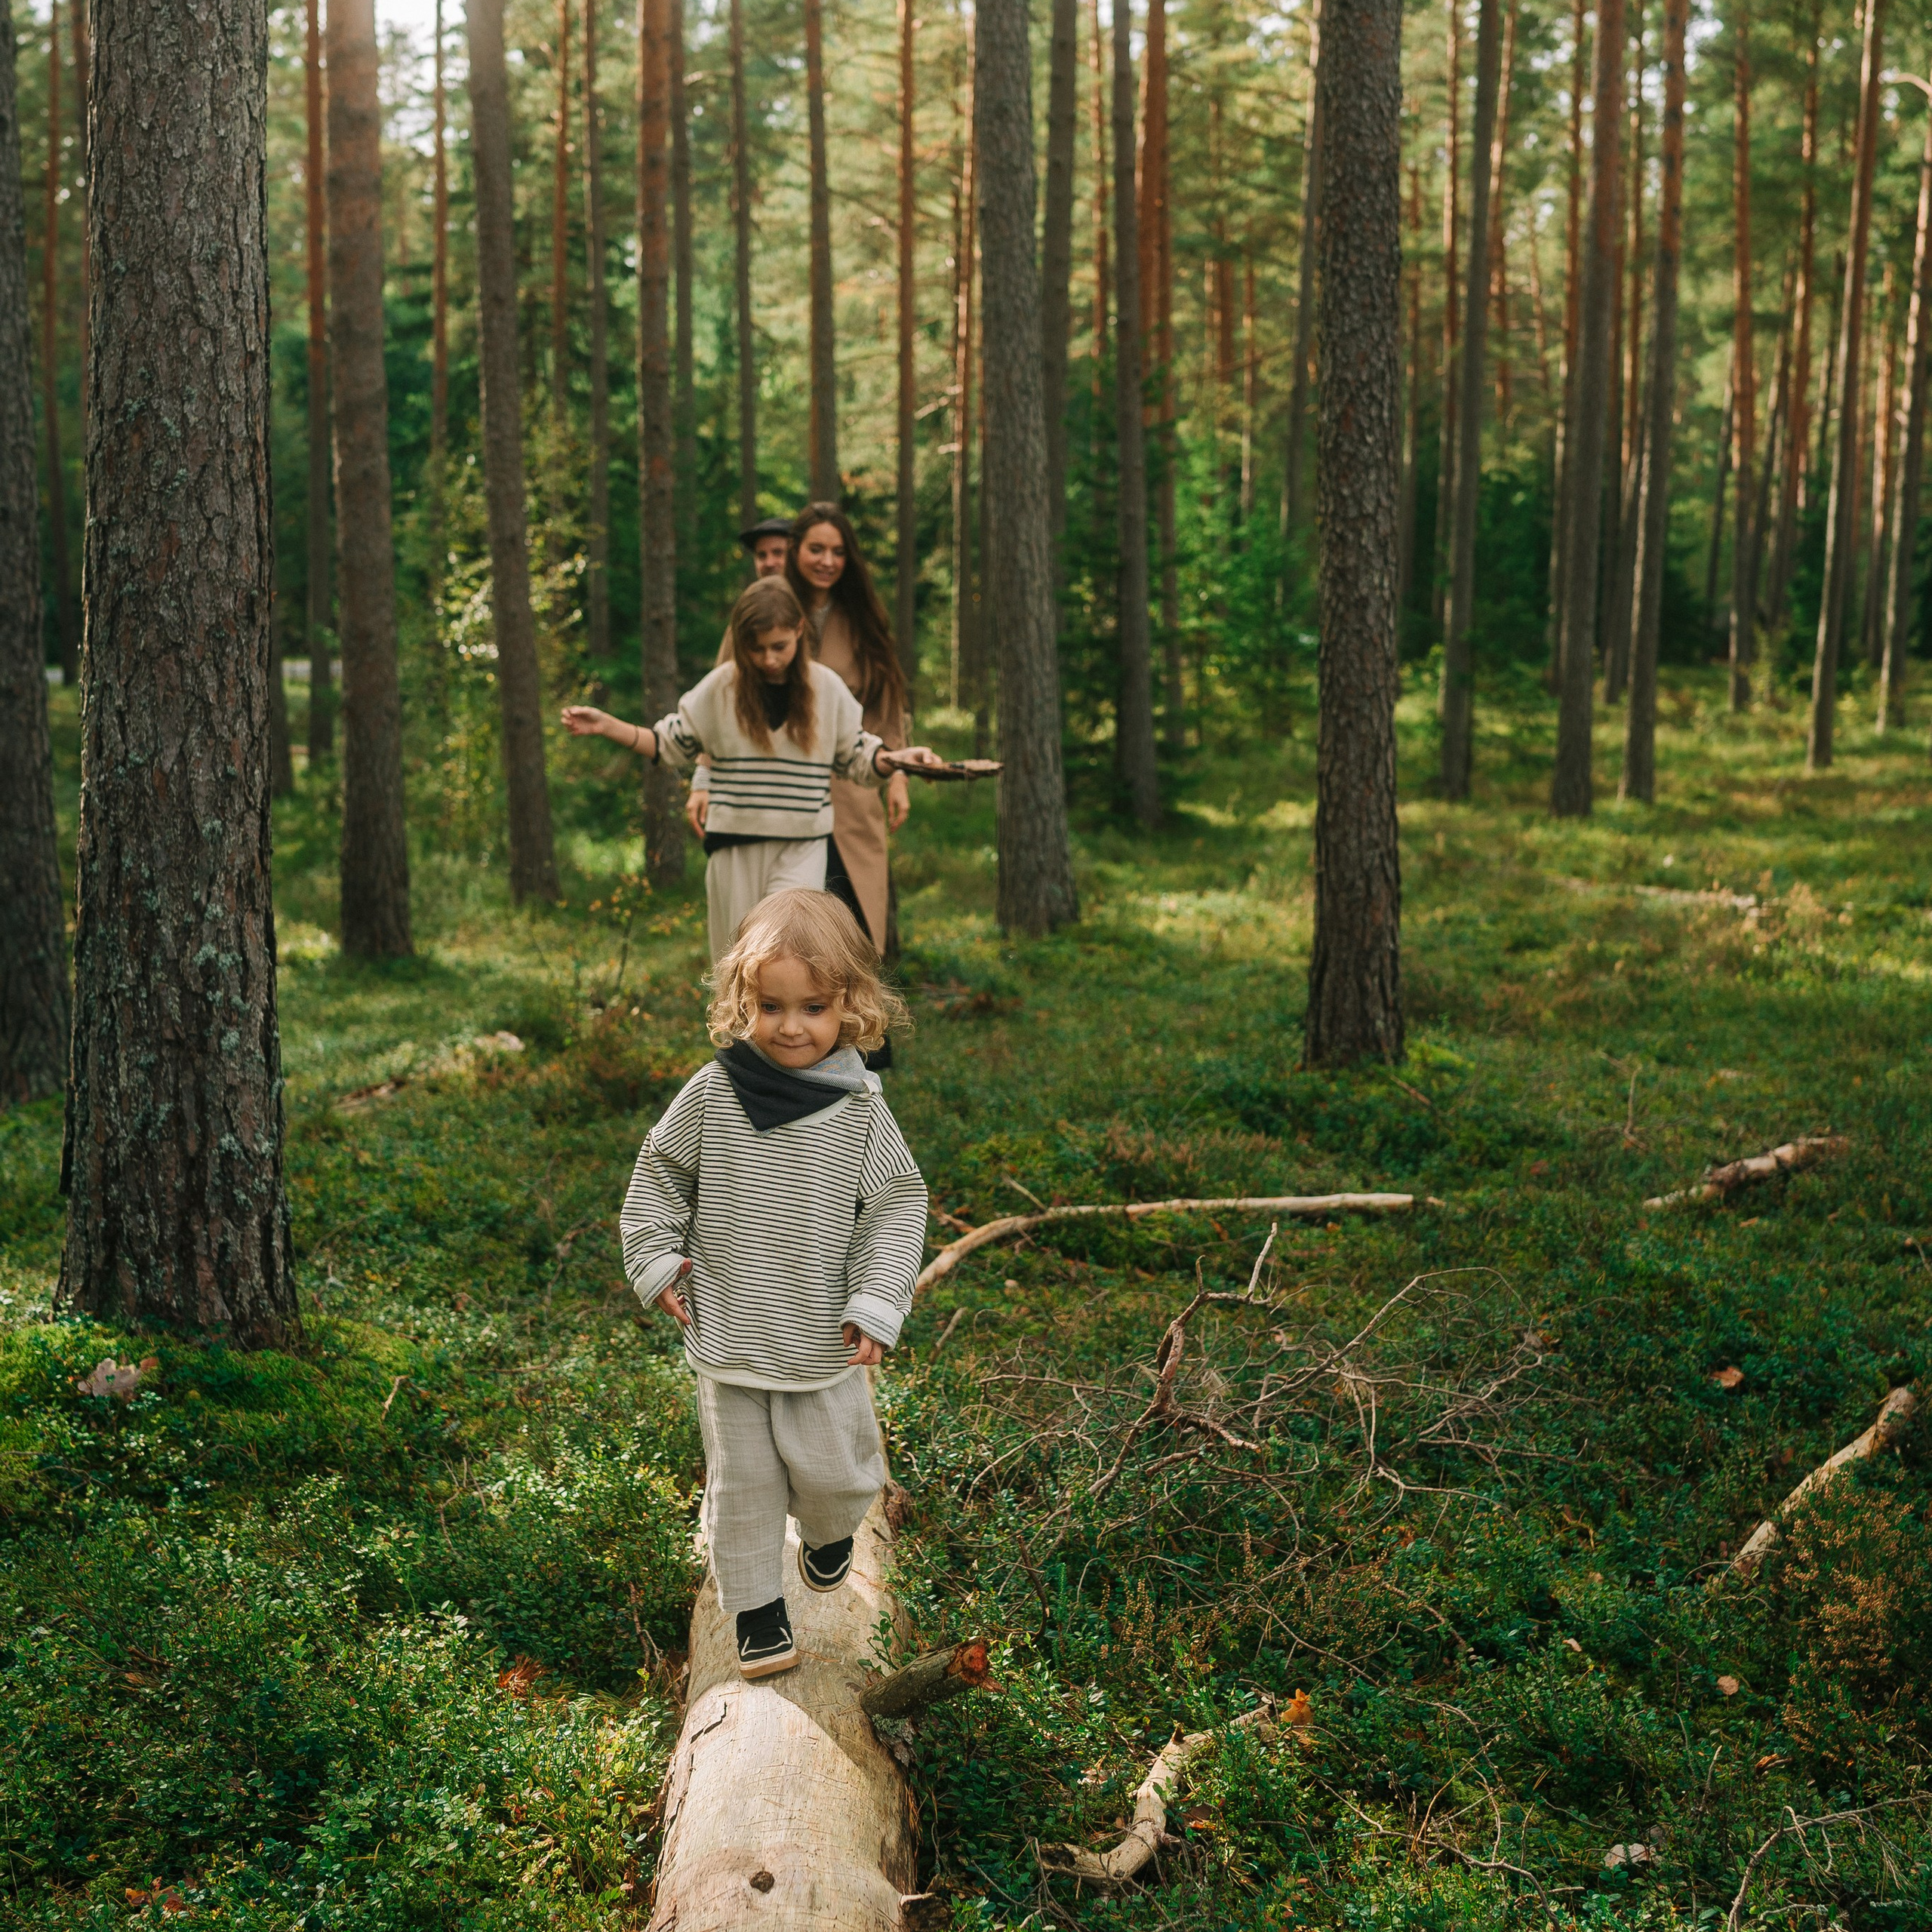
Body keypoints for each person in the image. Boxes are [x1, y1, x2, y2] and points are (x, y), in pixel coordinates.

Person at [617, 888, 927, 1678]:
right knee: (745, 1483)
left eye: (814, 1006)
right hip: (729, 1324)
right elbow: (659, 1174)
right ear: (741, 1001)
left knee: (835, 1474)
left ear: (850, 1005)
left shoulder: (859, 1110)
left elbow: (896, 1202)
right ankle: (756, 1609)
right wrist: (655, 1258)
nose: (791, 1026)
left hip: (819, 1330)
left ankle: (828, 1536)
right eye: (771, 1005)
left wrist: (876, 1298)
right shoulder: (712, 1093)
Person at [561, 577, 944, 961]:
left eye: (779, 647)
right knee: (738, 969)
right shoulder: (720, 688)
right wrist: (608, 726)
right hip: (735, 849)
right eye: (756, 649)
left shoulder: (827, 689)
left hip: (802, 847)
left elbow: (859, 757)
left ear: (799, 631)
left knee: (789, 956)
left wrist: (899, 760)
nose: (769, 659)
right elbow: (668, 744)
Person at [691, 504, 912, 961]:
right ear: (796, 551)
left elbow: (887, 702)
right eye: (816, 549)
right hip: (775, 799)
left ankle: (858, 1033)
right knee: (774, 938)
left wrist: (900, 773)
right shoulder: (765, 605)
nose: (827, 561)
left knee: (850, 935)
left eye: (837, 551)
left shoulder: (863, 617)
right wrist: (703, 778)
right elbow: (719, 700)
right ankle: (764, 1029)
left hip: (851, 797)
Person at [685, 515, 797, 838]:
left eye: (779, 553)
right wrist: (703, 775)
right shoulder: (748, 617)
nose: (769, 563)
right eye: (762, 556)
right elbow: (718, 696)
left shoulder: (820, 611)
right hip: (752, 779)